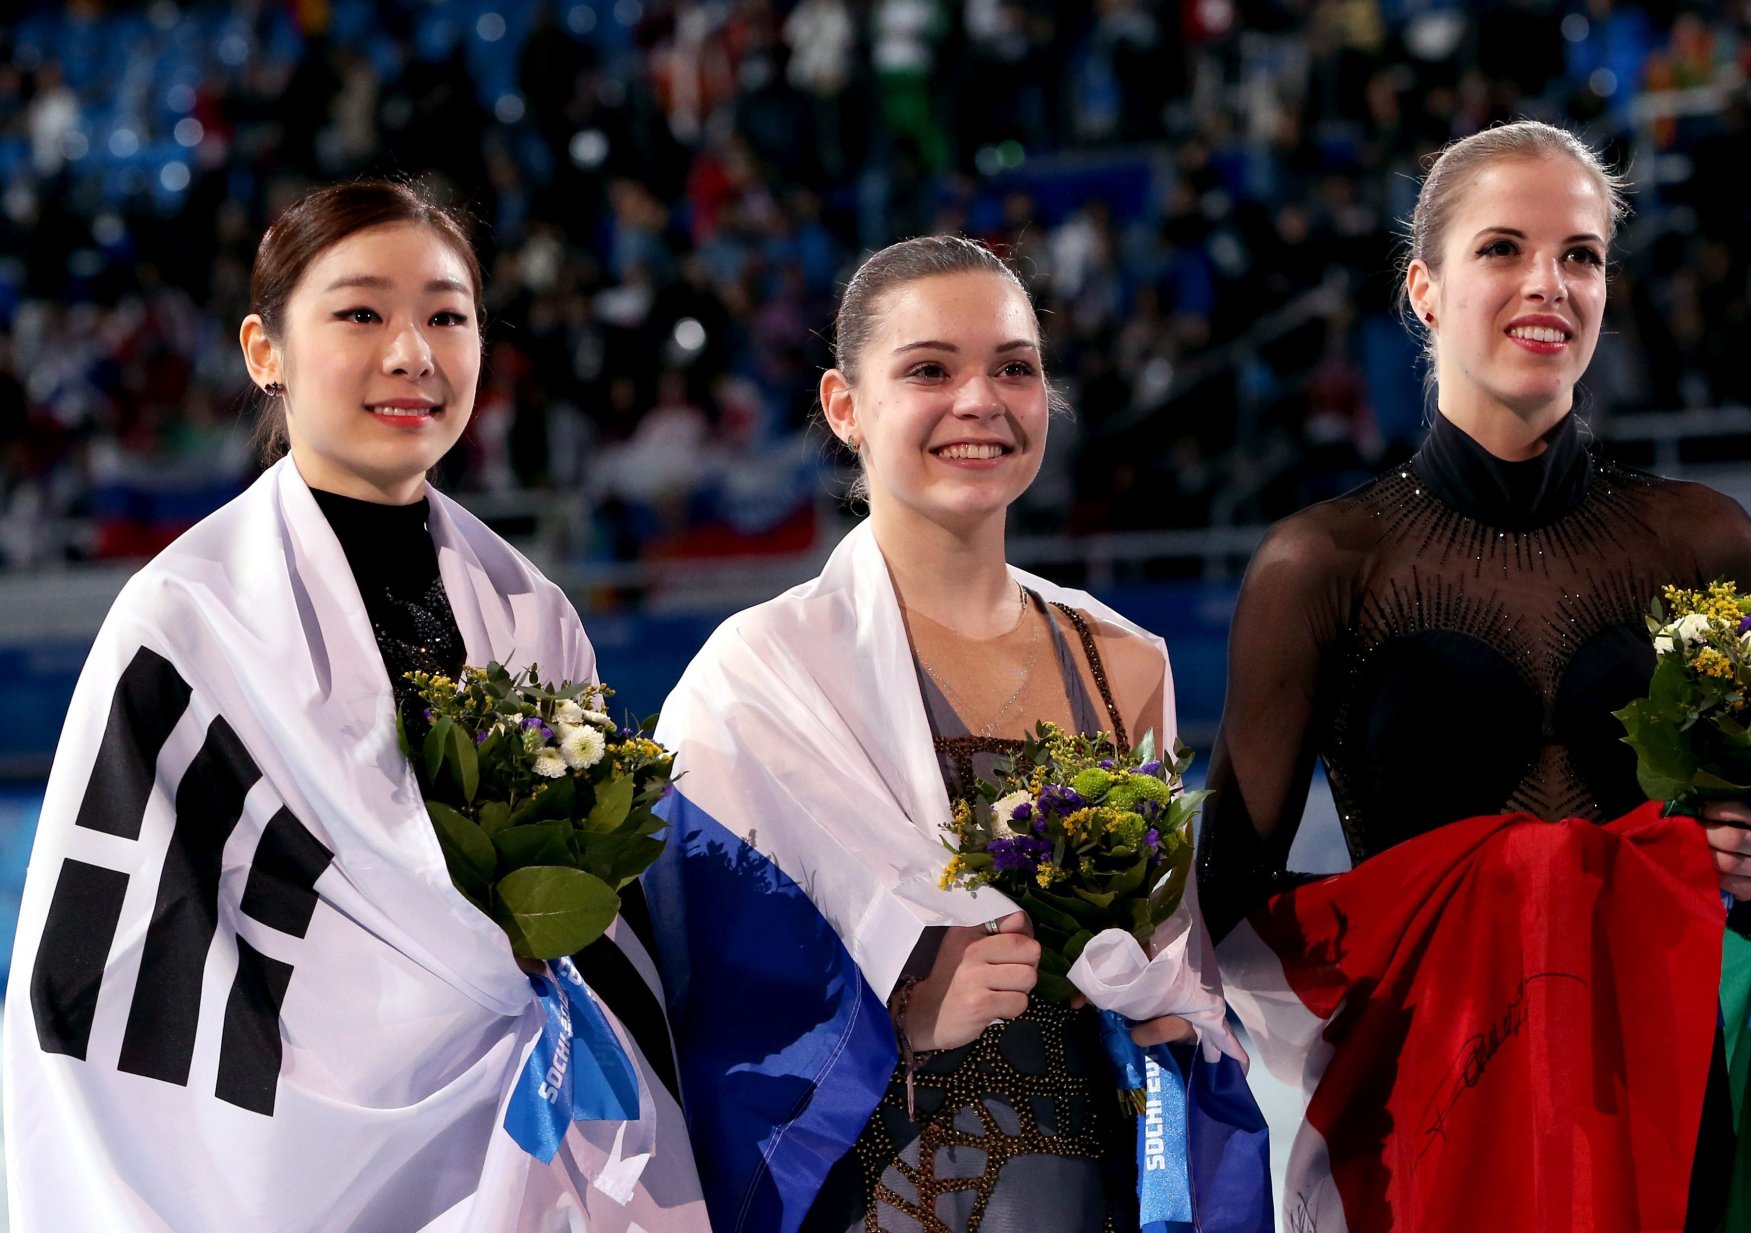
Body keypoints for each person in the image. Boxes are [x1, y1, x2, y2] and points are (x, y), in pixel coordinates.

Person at [2, 181, 708, 1232]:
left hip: (525, 1150)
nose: (412, 353)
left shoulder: (531, 608)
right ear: (265, 351)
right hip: (281, 1166)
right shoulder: (187, 620)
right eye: (362, 313)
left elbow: (605, 934)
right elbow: (111, 981)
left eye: (447, 316)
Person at [1198, 121, 1751, 1231]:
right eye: (1503, 248)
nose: (1549, 283)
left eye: (1580, 255)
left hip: (1665, 1104)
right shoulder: (1324, 565)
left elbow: (1746, 839)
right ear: (1425, 289)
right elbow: (1229, 896)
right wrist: (1479, 904)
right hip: (1434, 1113)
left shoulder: (1704, 543)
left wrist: (1743, 851)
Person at [643, 236, 1272, 1233]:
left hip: (1096, 1196)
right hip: (869, 1198)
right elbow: (697, 988)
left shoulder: (1123, 662)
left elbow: (1175, 975)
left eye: (1014, 368)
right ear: (845, 406)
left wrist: (1156, 1006)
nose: (980, 401)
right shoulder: (756, 675)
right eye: (930, 370)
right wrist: (894, 1012)